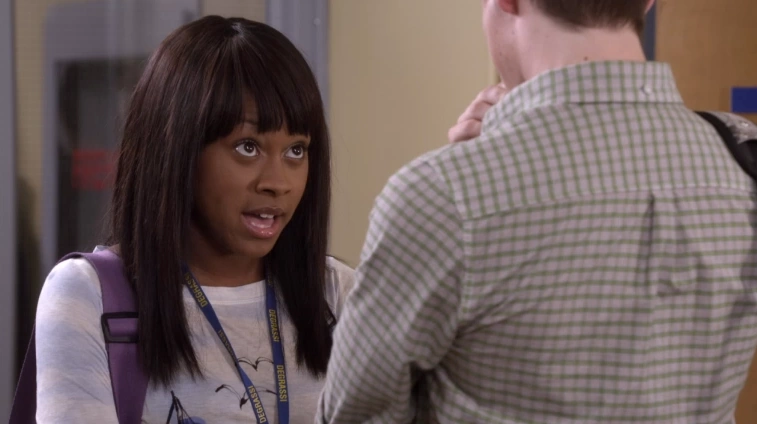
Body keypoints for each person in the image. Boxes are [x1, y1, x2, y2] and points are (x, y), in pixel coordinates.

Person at [317, 0, 757, 422]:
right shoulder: (744, 161)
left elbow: (354, 415)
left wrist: (467, 176)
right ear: (646, 1)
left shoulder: (443, 195)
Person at [34, 16, 353, 423]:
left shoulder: (338, 295)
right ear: (177, 152)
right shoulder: (88, 296)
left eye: (296, 151)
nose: (278, 183)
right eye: (248, 147)